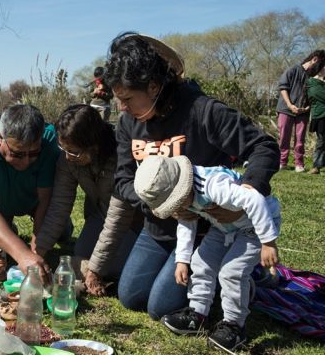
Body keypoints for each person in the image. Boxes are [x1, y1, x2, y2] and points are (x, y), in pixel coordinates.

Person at [93, 32, 279, 321]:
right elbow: (123, 181)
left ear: (153, 86)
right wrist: (153, 206)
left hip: (204, 229)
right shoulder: (128, 123)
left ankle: (235, 276)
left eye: (128, 99)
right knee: (131, 296)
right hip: (157, 226)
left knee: (160, 308)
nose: (122, 108)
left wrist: (244, 195)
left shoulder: (202, 110)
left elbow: (263, 147)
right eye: (119, 100)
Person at [134, 155, 280, 353]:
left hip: (255, 227)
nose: (176, 208)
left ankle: (234, 326)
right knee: (200, 261)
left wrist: (268, 242)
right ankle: (198, 315)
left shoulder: (213, 185)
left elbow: (255, 199)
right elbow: (186, 223)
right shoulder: (185, 198)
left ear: (182, 187)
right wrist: (182, 260)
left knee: (232, 272)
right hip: (224, 228)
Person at [33, 104, 140, 283]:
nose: (67, 157)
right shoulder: (67, 161)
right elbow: (59, 205)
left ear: (94, 146)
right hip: (99, 215)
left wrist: (95, 269)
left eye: (74, 152)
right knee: (81, 252)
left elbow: (118, 217)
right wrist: (37, 252)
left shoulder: (120, 158)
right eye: (63, 149)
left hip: (131, 221)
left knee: (112, 266)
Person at [0, 104, 61, 282]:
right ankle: (8, 228)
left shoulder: (50, 141)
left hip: (34, 201)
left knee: (57, 229)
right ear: (0, 139)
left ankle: (61, 228)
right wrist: (23, 255)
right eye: (17, 154)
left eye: (33, 154)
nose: (26, 162)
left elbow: (45, 199)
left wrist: (36, 250)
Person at [276, 50, 325, 172]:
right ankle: (282, 162)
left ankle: (299, 163)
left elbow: (313, 95)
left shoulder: (312, 77)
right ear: (314, 59)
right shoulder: (293, 70)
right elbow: (283, 87)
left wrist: (308, 107)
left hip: (303, 112)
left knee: (300, 139)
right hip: (285, 109)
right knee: (284, 137)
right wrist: (289, 104)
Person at [307, 64, 325, 174]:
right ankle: (316, 166)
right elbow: (319, 96)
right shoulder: (312, 82)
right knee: (322, 141)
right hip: (321, 115)